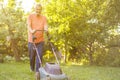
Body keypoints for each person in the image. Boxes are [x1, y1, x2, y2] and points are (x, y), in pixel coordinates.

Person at [27, 3, 48, 79]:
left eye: (39, 10)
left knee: (39, 56)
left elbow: (45, 25)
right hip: (31, 40)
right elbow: (29, 26)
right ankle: (31, 67)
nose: (38, 11)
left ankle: (37, 71)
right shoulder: (30, 16)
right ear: (34, 9)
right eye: (37, 9)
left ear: (41, 10)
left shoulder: (44, 18)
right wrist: (31, 31)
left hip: (40, 40)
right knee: (32, 56)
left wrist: (46, 29)